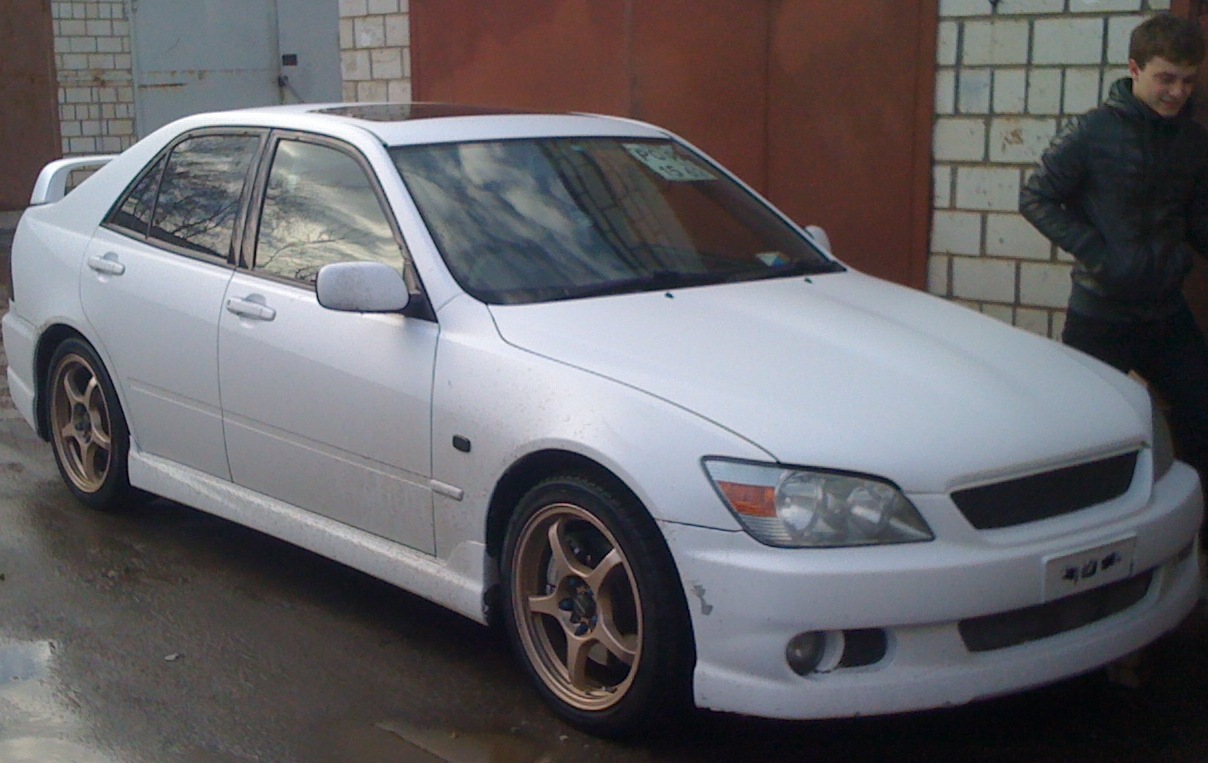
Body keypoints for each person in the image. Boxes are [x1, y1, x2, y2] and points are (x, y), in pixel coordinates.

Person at [1020, 13, 1208, 486]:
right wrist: (1099, 255)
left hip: (1166, 312)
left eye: (1188, 81)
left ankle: (1191, 528)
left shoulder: (1194, 141)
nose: (1178, 92)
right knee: (1081, 434)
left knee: (1201, 417)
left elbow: (1196, 221)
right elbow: (1036, 196)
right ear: (1135, 68)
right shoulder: (1094, 131)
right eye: (1166, 78)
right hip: (1101, 313)